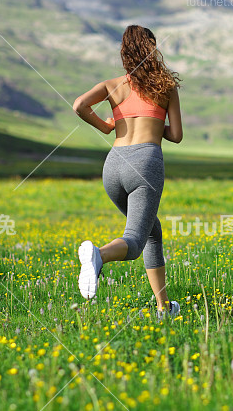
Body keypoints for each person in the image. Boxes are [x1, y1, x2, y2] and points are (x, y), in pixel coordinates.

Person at [72, 25, 182, 319]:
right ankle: (99, 255)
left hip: (113, 165)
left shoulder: (112, 85)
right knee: (134, 240)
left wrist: (107, 126)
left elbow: (79, 105)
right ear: (153, 49)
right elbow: (176, 136)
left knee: (152, 233)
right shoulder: (166, 86)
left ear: (125, 53)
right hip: (145, 162)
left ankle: (163, 308)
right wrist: (155, 123)